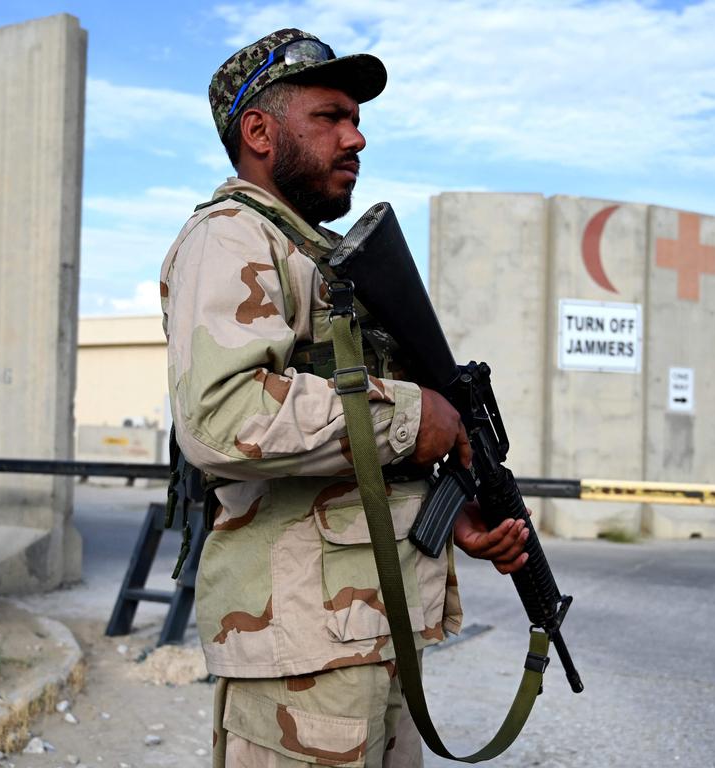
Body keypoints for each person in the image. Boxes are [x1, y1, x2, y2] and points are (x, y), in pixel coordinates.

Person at [161, 28, 529, 768]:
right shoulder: (231, 237)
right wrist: (411, 416)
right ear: (258, 131)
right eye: (329, 116)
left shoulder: (316, 258)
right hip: (301, 651)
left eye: (355, 118)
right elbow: (220, 416)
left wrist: (443, 515)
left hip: (366, 631)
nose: (355, 136)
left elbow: (344, 452)